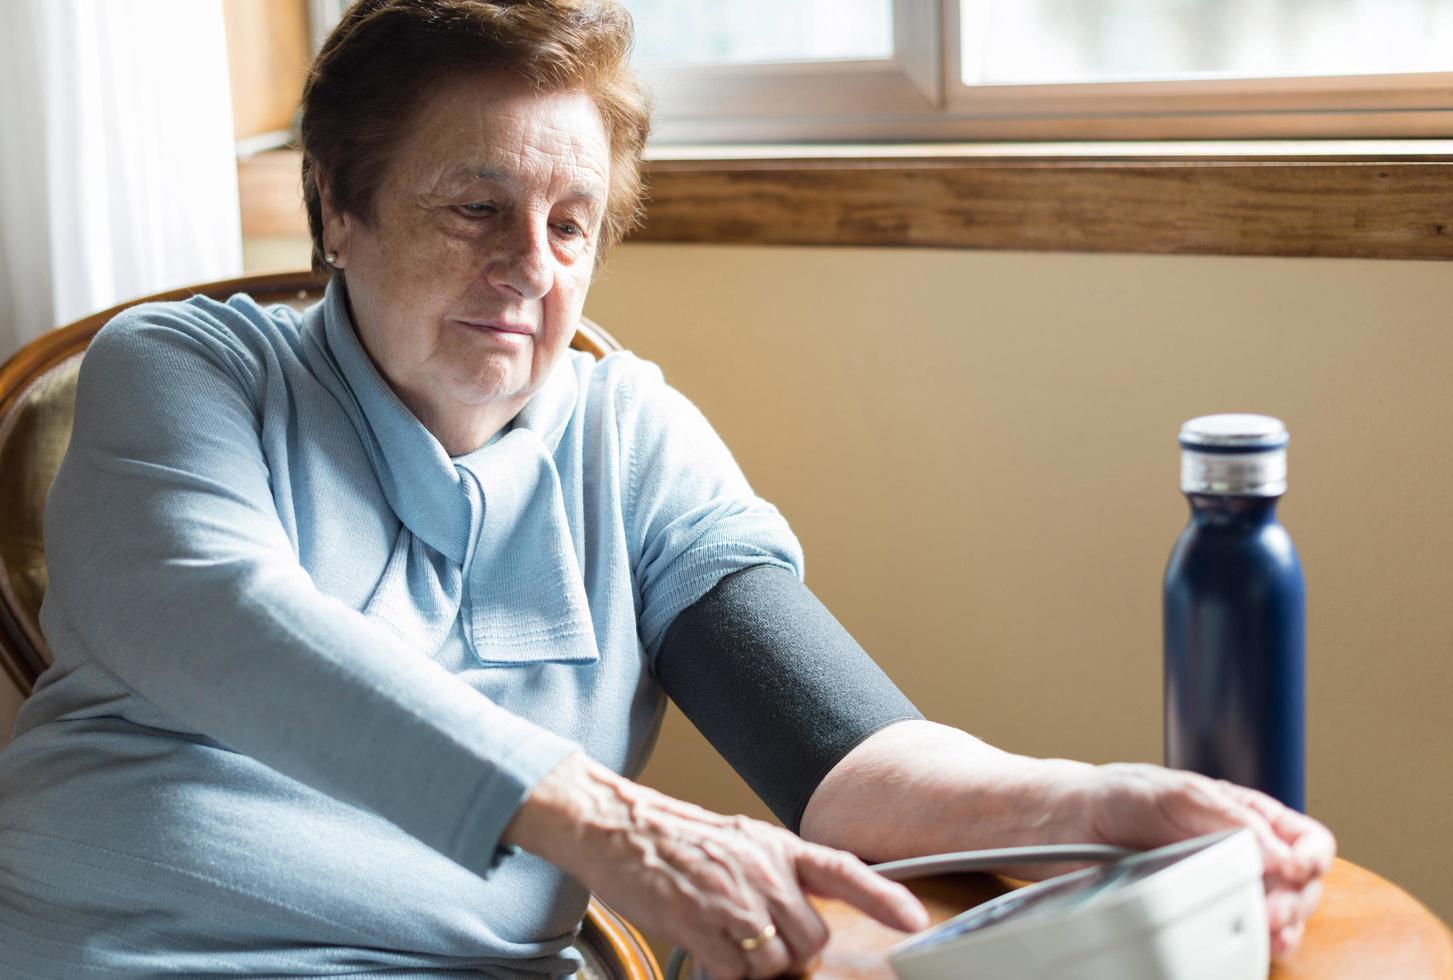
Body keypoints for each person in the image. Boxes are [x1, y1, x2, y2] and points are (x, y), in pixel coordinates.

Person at [0, 1, 1334, 977]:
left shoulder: (631, 437)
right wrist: (609, 823)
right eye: (476, 209)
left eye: (569, 220)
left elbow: (846, 760)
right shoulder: (184, 371)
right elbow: (218, 617)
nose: (532, 266)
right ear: (338, 210)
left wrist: (1099, 803)